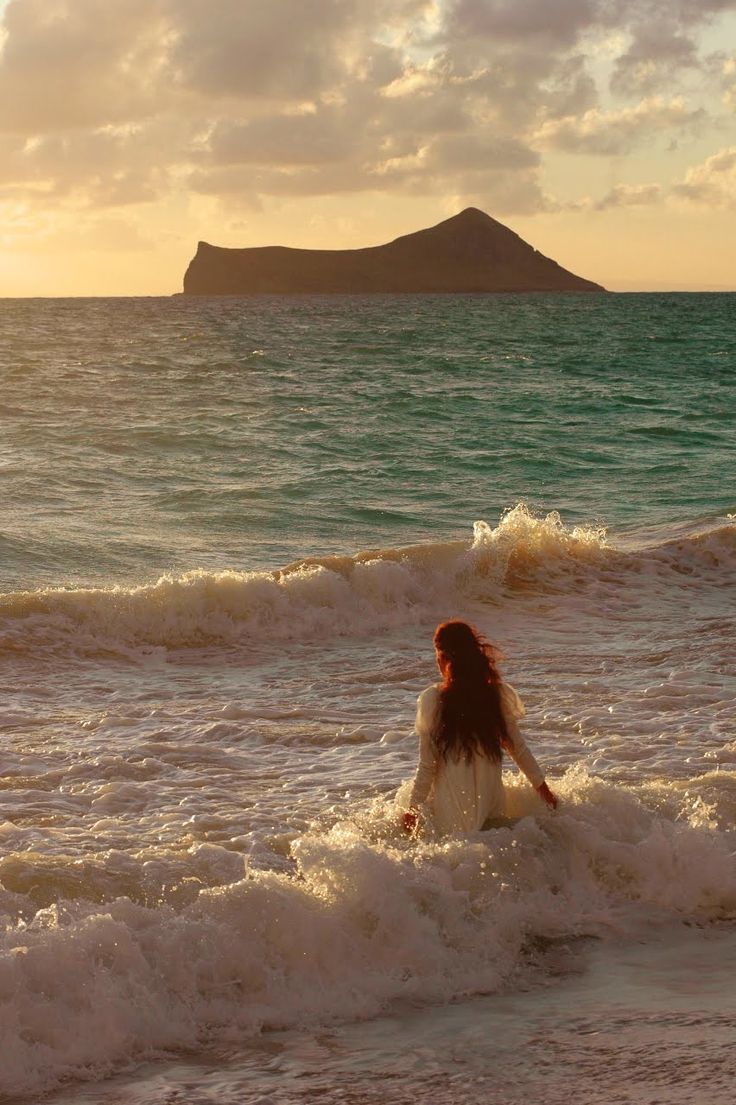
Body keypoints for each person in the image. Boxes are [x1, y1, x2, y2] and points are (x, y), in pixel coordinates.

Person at [402, 620, 557, 835]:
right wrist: (545, 792)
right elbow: (519, 750)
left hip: (454, 814)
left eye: (436, 654)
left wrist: (412, 810)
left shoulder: (433, 700)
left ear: (444, 657)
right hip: (490, 805)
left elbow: (427, 765)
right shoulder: (496, 696)